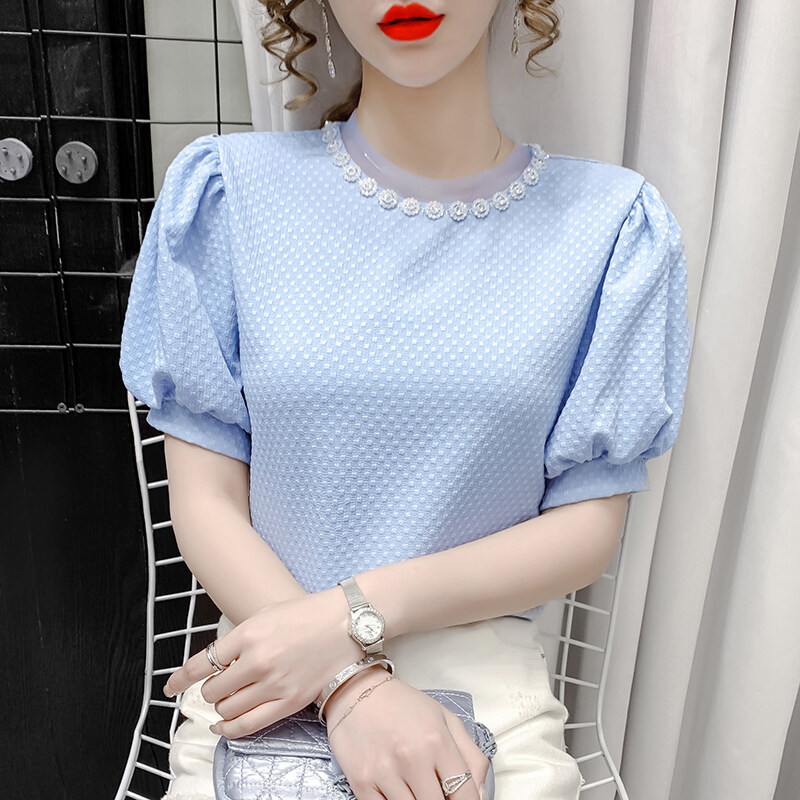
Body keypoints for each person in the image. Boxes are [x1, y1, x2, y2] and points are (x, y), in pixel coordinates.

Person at [118, 1, 693, 798]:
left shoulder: (612, 225)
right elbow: (205, 498)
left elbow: (587, 529)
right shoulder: (228, 194)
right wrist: (352, 687)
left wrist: (346, 623)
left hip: (486, 692)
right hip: (268, 678)